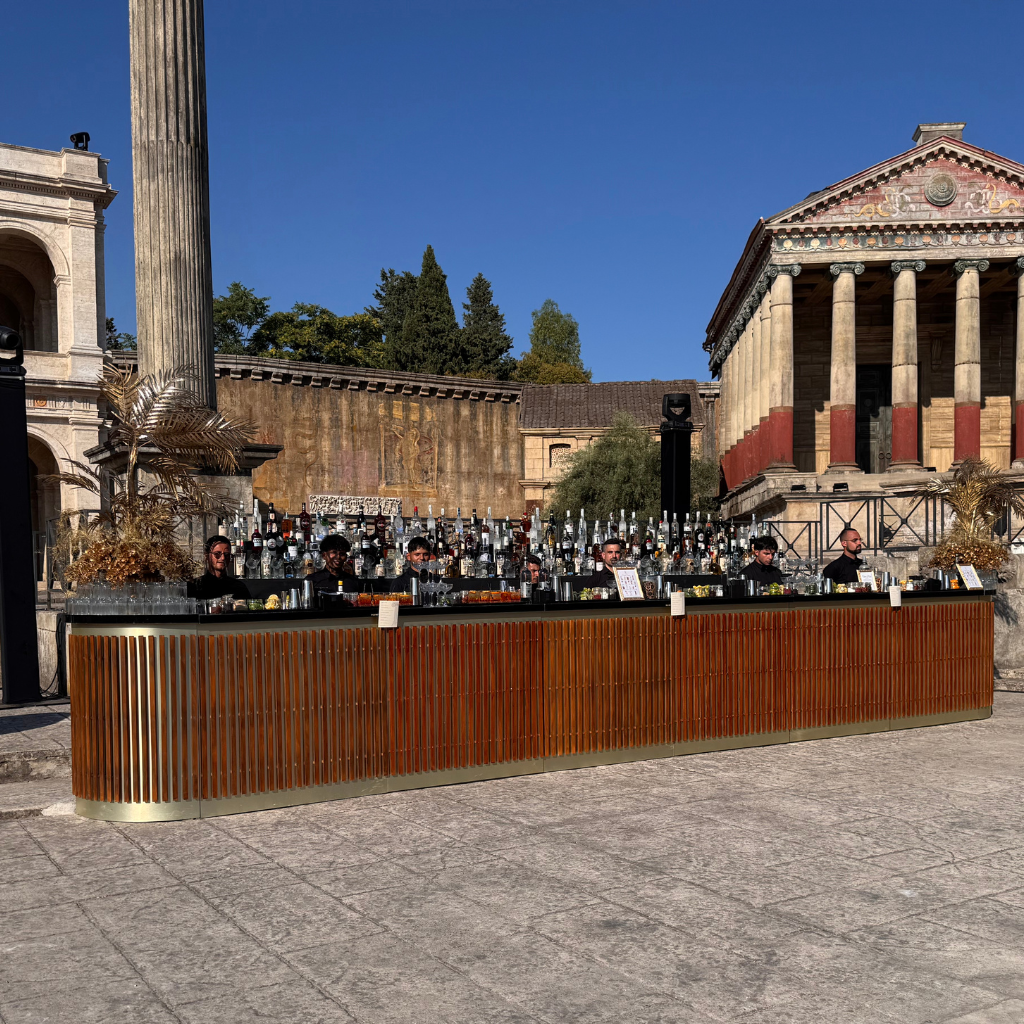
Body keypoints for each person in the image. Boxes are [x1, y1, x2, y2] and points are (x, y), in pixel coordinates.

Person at [187, 536, 250, 601]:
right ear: (207, 556)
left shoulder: (238, 587)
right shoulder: (195, 586)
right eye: (217, 554)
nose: (223, 558)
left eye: (226, 554)